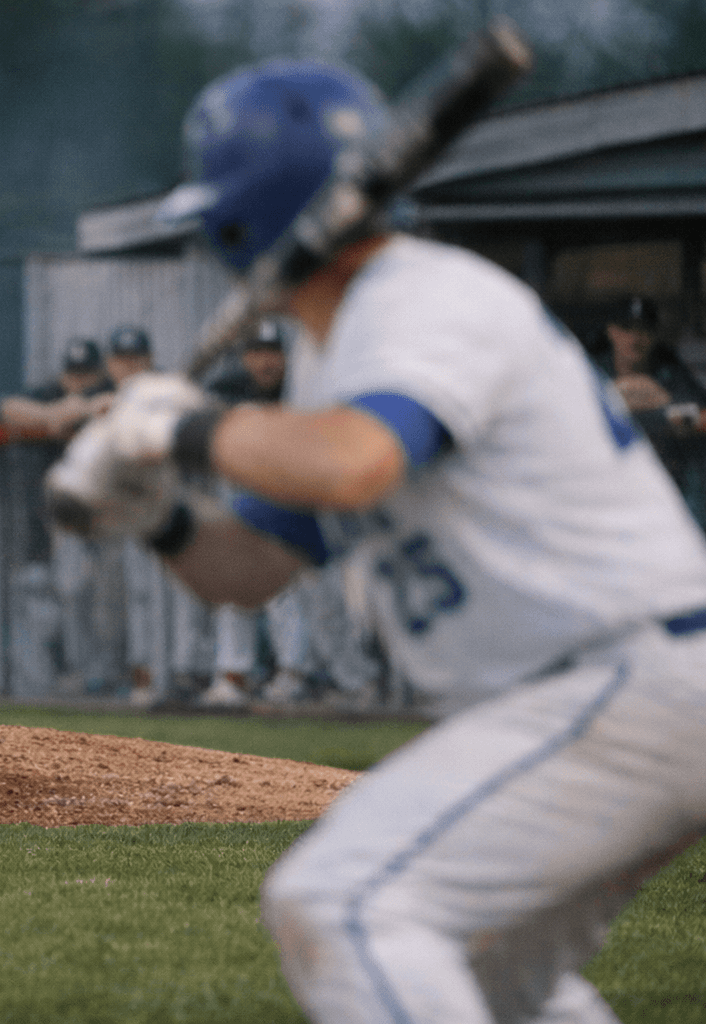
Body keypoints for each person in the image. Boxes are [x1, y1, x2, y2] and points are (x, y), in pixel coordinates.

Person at [47, 57, 706, 1024]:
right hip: (583, 698)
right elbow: (250, 570)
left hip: (622, 678)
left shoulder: (421, 301)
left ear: (239, 226)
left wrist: (177, 428)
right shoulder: (336, 357)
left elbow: (352, 465)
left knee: (344, 904)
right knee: (497, 984)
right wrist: (158, 517)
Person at [200, 320, 312, 709]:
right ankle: (233, 675)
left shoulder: (301, 386)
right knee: (234, 588)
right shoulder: (226, 387)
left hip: (290, 501)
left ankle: (293, 674)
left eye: (273, 352)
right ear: (245, 357)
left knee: (286, 591)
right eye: (257, 353)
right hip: (238, 503)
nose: (266, 361)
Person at [592, 294, 706, 530]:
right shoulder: (592, 372)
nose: (634, 339)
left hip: (669, 489)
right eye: (626, 328)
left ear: (654, 335)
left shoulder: (670, 372)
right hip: (607, 491)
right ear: (611, 331)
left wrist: (660, 413)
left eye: (643, 330)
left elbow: (702, 418)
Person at [0, 338, 116, 441]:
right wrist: (51, 415)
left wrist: (85, 409)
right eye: (73, 373)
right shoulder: (54, 391)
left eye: (85, 373)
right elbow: (6, 406)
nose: (78, 380)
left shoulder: (107, 390)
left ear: (100, 373)